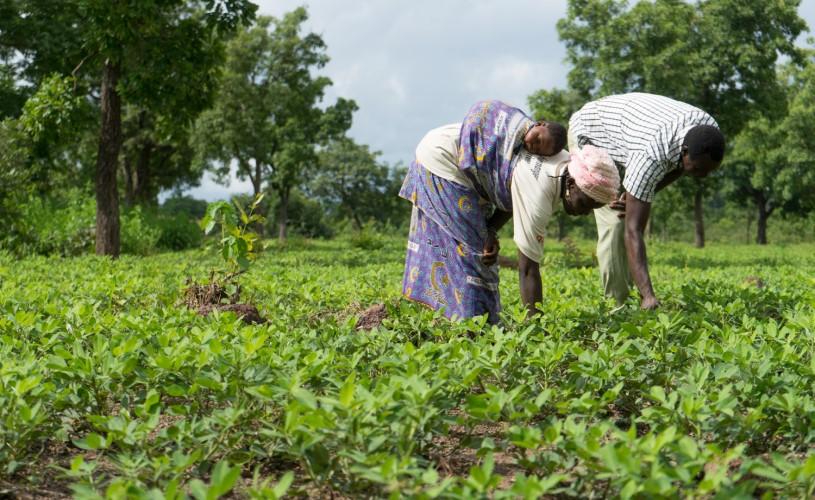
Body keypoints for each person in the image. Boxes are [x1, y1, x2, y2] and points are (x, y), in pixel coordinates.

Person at [399, 100, 620, 323]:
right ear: (573, 184)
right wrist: (535, 327)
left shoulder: (566, 161)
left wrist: (491, 230)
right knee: (475, 255)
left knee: (481, 247)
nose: (584, 213)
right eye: (585, 204)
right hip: (444, 159)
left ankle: (469, 321)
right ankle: (472, 327)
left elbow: (514, 195)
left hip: (462, 160)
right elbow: (527, 270)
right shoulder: (541, 191)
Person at [568, 92, 726, 310]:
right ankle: (618, 305)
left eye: (709, 171)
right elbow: (634, 231)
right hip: (591, 132)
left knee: (630, 206)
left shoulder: (708, 132)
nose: (702, 176)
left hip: (628, 134)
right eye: (699, 169)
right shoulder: (651, 154)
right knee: (616, 222)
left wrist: (638, 192)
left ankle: (632, 291)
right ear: (685, 151)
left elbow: (679, 166)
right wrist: (649, 295)